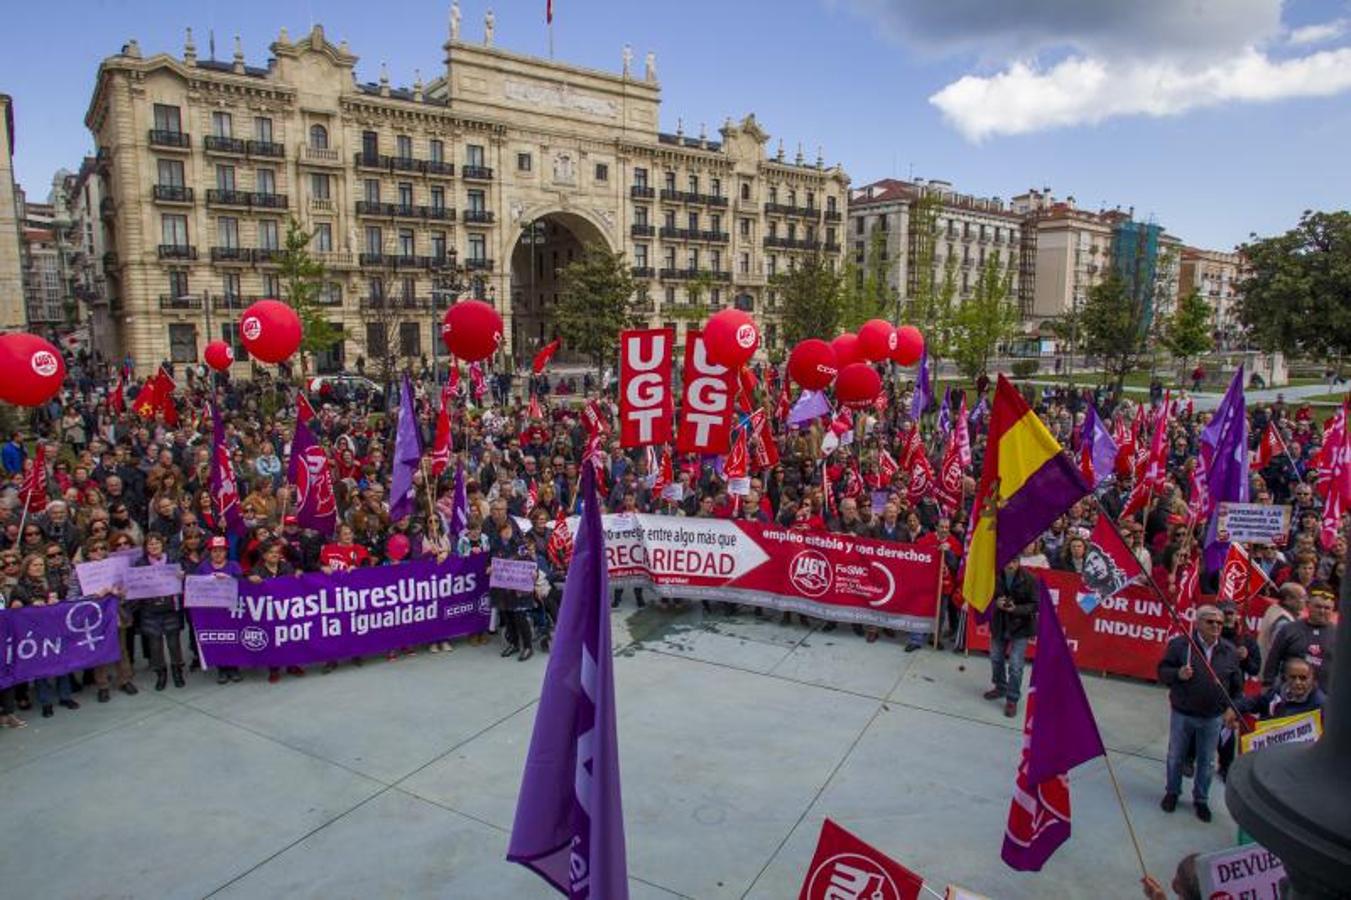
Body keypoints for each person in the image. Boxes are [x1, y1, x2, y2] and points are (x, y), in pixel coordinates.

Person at [1157, 604, 1243, 822]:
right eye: (1210, 621)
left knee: (1207, 761)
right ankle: (1172, 792)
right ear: (1198, 623)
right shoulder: (1180, 645)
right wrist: (1178, 673)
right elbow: (1162, 672)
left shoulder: (1229, 651)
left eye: (1219, 623)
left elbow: (1236, 686)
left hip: (1213, 716)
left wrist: (1233, 708)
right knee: (1175, 756)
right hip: (1183, 712)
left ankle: (1201, 800)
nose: (1215, 626)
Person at [9, 553, 80, 718]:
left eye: (41, 565)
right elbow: (15, 609)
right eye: (35, 565)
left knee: (62, 663)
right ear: (27, 568)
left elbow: (65, 600)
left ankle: (65, 696)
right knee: (41, 668)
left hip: (55, 628)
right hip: (34, 634)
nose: (39, 568)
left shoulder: (51, 583)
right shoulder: (20, 588)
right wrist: (28, 605)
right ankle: (46, 702)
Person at [983, 558, 1037, 717]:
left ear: (1019, 562)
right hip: (1000, 623)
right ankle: (1000, 687)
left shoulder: (1030, 579)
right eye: (1008, 561)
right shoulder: (993, 575)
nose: (1010, 565)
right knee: (995, 657)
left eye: (1014, 561)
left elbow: (1035, 604)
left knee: (1015, 665)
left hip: (1021, 626)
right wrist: (995, 603)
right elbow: (984, 596)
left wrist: (1016, 609)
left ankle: (1012, 699)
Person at [134, 532, 186, 692]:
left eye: (157, 543)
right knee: (155, 645)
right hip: (150, 609)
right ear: (145, 547)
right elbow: (136, 585)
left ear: (162, 545)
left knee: (174, 643)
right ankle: (161, 673)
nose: (154, 546)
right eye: (150, 544)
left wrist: (182, 576)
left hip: (171, 606)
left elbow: (184, 578)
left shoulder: (173, 560)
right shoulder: (140, 563)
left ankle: (177, 671)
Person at [248, 540, 304, 683]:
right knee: (273, 640)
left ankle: (292, 665)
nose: (275, 555)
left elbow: (295, 583)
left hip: (287, 609)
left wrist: (298, 574)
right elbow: (246, 585)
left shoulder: (286, 566)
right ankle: (274, 669)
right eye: (271, 552)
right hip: (269, 612)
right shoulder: (257, 570)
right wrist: (249, 579)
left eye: (277, 552)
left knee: (290, 637)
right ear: (264, 555)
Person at [1262, 587, 1336, 692]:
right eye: (1318, 607)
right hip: (1290, 695)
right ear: (1308, 605)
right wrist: (1267, 685)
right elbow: (1273, 660)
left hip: (1325, 696)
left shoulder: (1339, 635)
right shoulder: (1289, 629)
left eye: (1327, 608)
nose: (1322, 611)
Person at [196, 536, 244, 684]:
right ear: (210, 552)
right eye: (214, 551)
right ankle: (222, 668)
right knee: (218, 639)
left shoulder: (234, 565)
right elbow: (195, 586)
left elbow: (243, 585)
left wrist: (229, 578)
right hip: (212, 611)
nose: (218, 554)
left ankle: (234, 667)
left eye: (221, 550)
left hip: (231, 610)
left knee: (233, 639)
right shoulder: (203, 567)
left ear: (226, 552)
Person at [1257, 582, 1305, 662]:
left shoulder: (1274, 609)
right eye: (1301, 598)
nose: (1305, 601)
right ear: (1288, 600)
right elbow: (1280, 652)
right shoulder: (1283, 622)